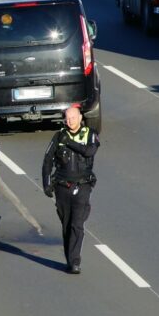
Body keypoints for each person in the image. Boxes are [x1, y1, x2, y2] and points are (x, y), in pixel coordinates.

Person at [41, 105, 100, 274]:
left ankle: (75, 262)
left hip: (82, 186)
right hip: (62, 187)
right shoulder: (59, 136)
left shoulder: (90, 134)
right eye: (67, 118)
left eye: (73, 118)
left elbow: (89, 151)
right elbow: (47, 161)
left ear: (80, 118)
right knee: (67, 225)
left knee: (77, 224)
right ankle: (69, 258)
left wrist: (71, 143)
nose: (70, 121)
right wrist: (46, 183)